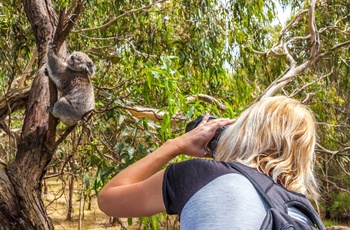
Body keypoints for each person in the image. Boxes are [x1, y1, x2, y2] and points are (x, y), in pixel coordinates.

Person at [98, 95, 321, 229]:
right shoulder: (304, 212)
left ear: (247, 131)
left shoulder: (201, 174)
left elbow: (109, 199)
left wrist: (176, 145)